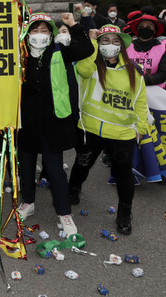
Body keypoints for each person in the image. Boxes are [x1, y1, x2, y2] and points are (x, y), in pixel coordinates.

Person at [16, 13, 92, 236]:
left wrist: (74, 26)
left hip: (53, 119)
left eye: (44, 31)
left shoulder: (60, 50)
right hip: (26, 120)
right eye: (34, 31)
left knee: (55, 169)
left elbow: (85, 50)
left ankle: (64, 212)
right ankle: (28, 202)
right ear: (27, 34)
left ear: (51, 34)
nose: (39, 35)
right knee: (26, 165)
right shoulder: (20, 55)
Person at [68, 25, 149, 235]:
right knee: (82, 164)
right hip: (90, 129)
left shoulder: (134, 72)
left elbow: (140, 101)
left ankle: (124, 213)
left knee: (124, 175)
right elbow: (82, 70)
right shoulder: (91, 65)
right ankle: (73, 191)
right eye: (105, 41)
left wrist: (141, 128)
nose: (109, 46)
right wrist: (93, 42)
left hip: (121, 133)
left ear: (122, 46)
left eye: (115, 41)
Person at [125, 15, 166, 90]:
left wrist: (139, 80)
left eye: (149, 27)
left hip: (154, 92)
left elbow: (163, 75)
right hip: (129, 89)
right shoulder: (127, 47)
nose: (144, 29)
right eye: (141, 27)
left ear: (154, 30)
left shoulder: (163, 49)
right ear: (137, 29)